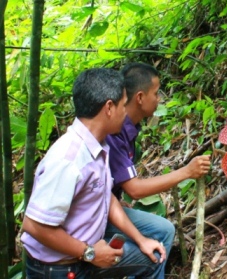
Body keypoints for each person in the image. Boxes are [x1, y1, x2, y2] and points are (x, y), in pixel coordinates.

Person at [21, 68, 166, 279]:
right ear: (109, 108)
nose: (126, 112)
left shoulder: (98, 146)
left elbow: (106, 196)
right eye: (123, 105)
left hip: (84, 257)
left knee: (151, 258)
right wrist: (89, 253)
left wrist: (141, 239)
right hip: (59, 269)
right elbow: (33, 225)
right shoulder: (69, 160)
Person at [105, 62, 211, 278]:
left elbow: (115, 181)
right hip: (95, 217)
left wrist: (115, 197)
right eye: (156, 93)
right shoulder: (114, 132)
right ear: (140, 97)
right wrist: (186, 172)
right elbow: (134, 189)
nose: (159, 98)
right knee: (158, 237)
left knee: (163, 230)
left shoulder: (129, 127)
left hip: (107, 206)